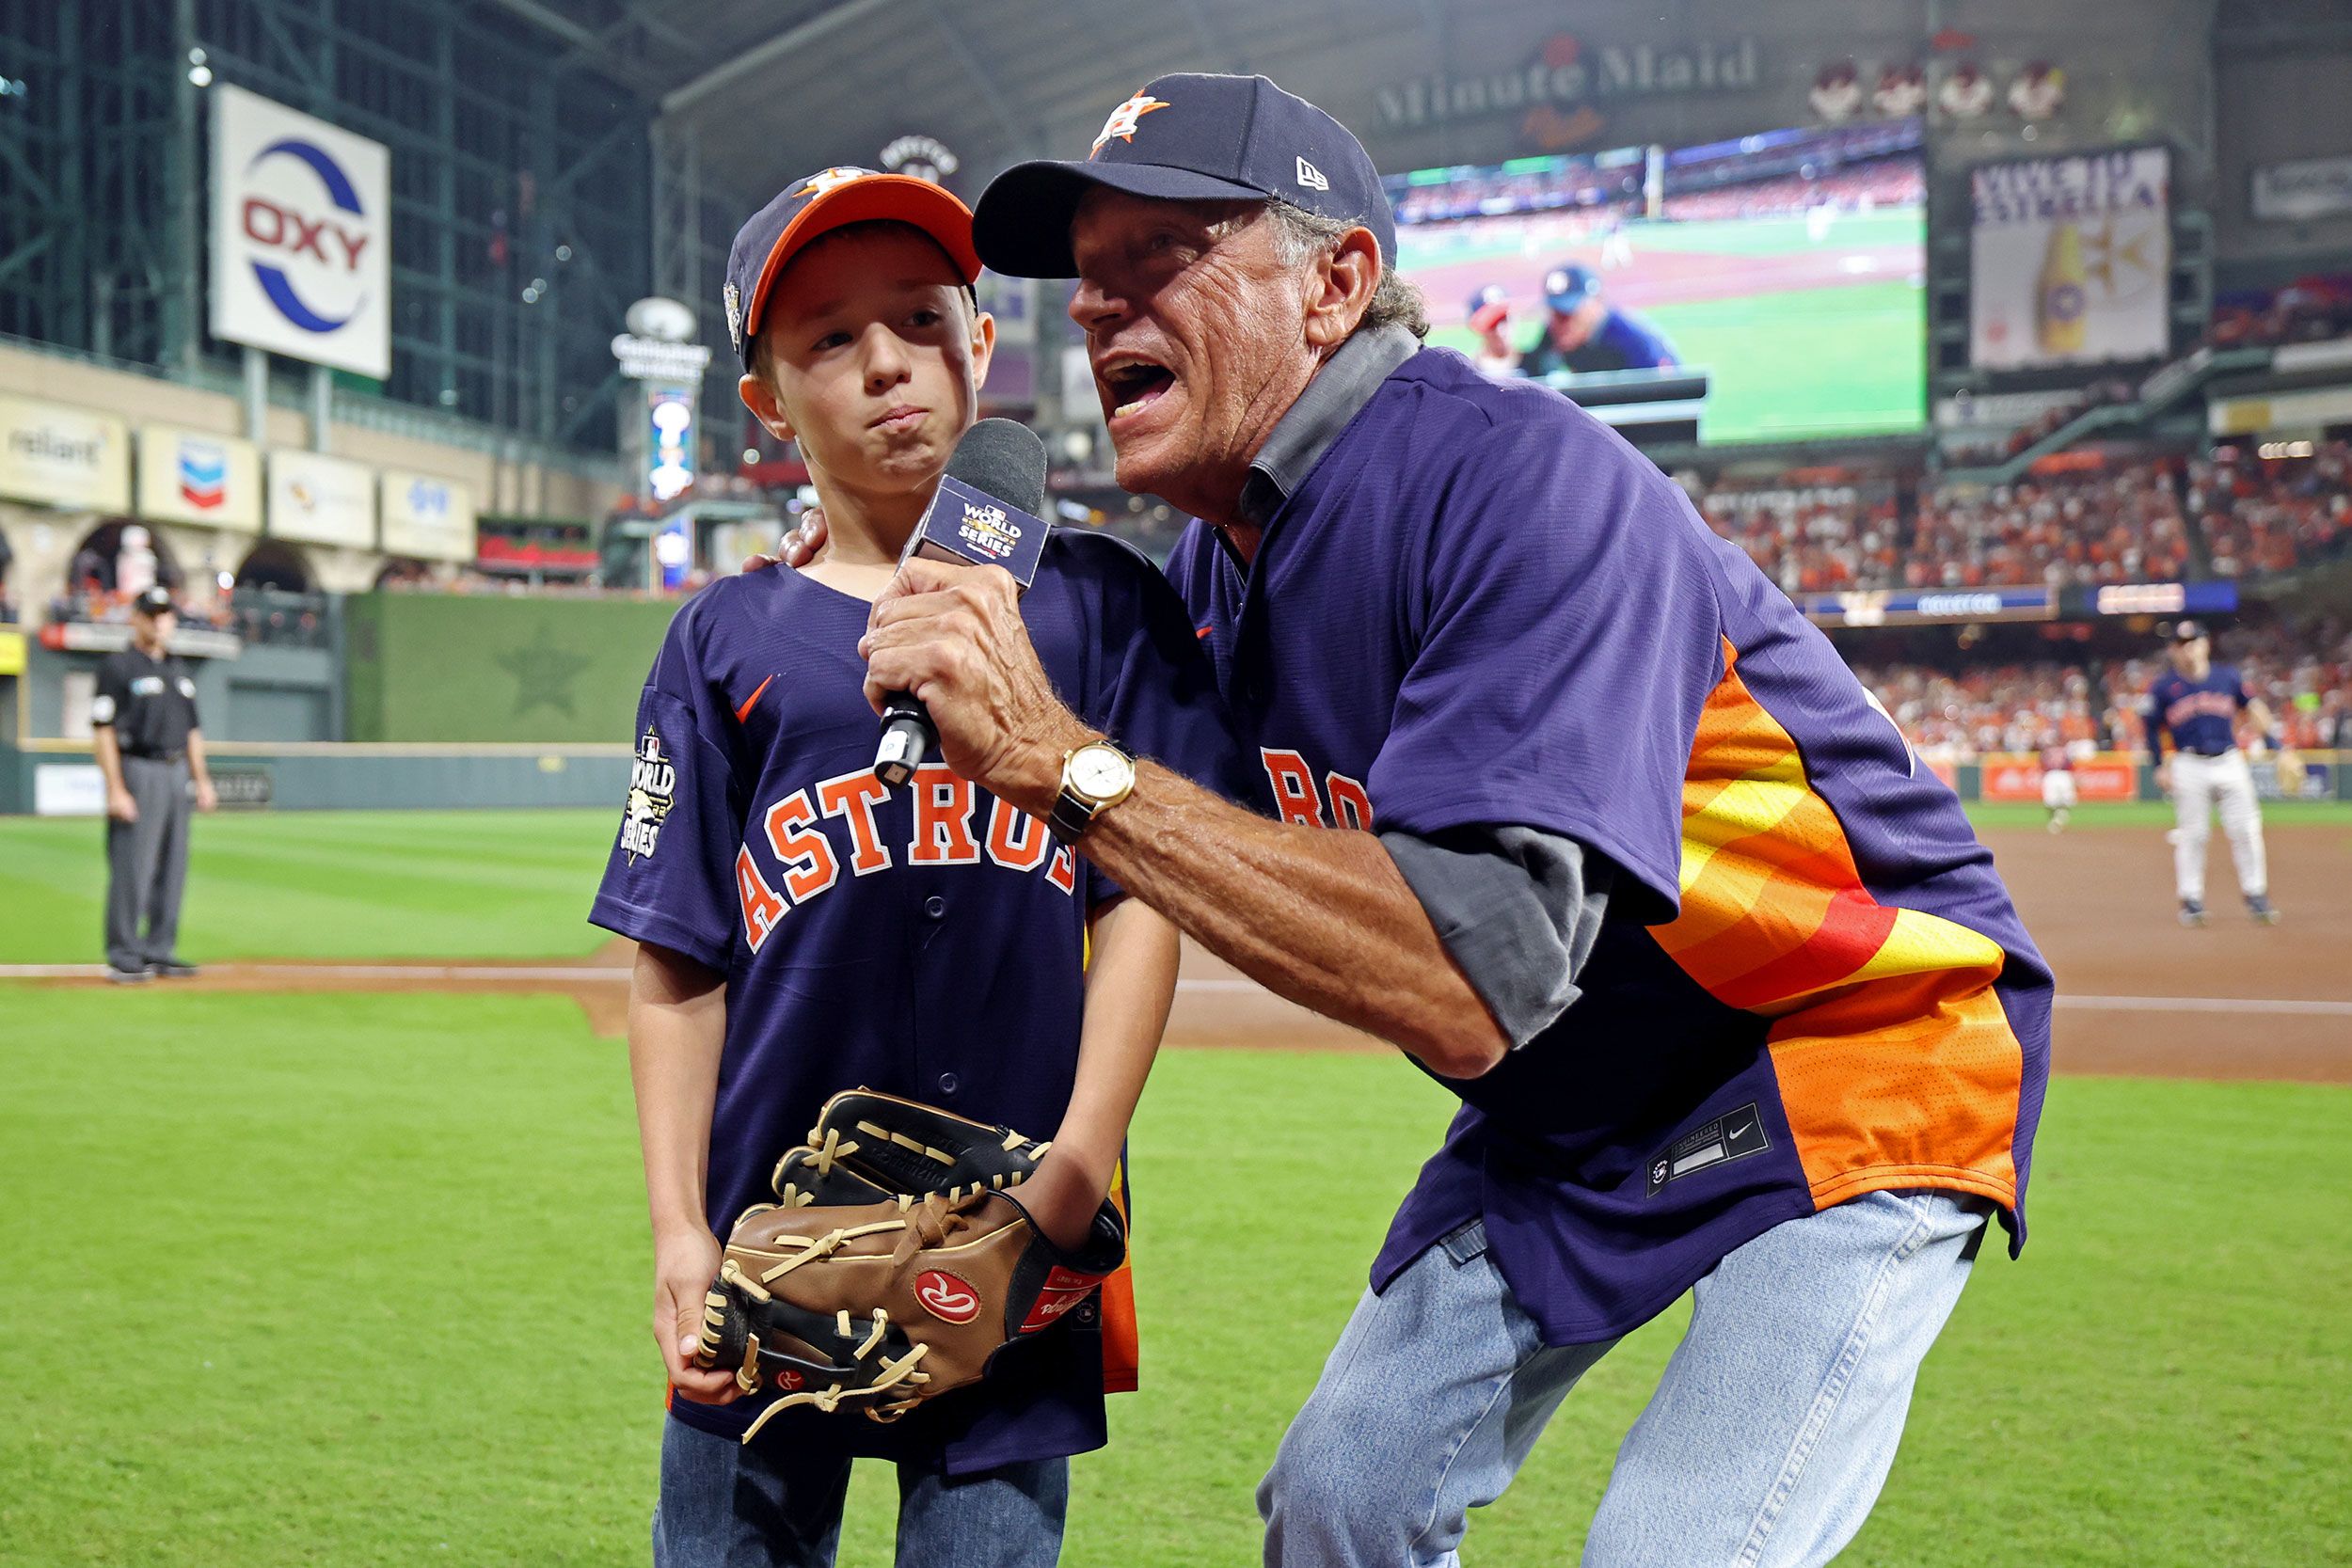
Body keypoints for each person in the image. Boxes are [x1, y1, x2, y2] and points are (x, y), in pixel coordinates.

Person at [834, 72, 2053, 1568]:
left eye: (1162, 257)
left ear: (1337, 281)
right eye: (1092, 279)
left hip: (1846, 1044)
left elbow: (1469, 981)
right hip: (1579, 1105)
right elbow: (1138, 827)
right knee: (1342, 1494)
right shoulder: (1222, 569)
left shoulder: (1517, 482)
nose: (1097, 310)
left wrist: (1063, 759)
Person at [587, 166, 1243, 1568]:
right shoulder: (725, 639)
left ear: (984, 345)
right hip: (772, 1252)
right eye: (829, 337)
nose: (888, 362)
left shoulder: (1103, 604)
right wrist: (676, 1234)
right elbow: (676, 964)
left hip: (1018, 1245)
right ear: (765, 396)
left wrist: (1073, 1176)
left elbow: (1142, 901)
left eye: (922, 321)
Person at [91, 584, 216, 981]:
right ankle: (125, 952)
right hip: (138, 769)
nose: (160, 622)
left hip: (176, 770)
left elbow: (192, 731)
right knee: (133, 865)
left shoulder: (179, 670)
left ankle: (160, 948)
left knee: (172, 865)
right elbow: (102, 730)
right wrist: (115, 788)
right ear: (136, 618)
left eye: (166, 615)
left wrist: (203, 779)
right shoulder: (118, 667)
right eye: (152, 614)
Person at [2144, 620, 2279, 926]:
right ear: (2173, 651)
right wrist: (2157, 765)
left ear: (2205, 644)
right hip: (2188, 763)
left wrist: (2274, 742)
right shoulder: (2165, 686)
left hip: (2229, 761)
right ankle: (2191, 900)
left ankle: (2256, 894)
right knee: (2193, 836)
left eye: (2193, 641)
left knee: (2246, 830)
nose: (2187, 648)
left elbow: (2253, 707)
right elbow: (2150, 729)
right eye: (2181, 644)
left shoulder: (2227, 677)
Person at [1517, 261, 1677, 377]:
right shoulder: (1555, 334)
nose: (1558, 323)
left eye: (1568, 313)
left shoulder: (1635, 342)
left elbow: (1671, 394)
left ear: (1596, 304)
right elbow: (1533, 370)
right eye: (1554, 313)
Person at [2038, 732, 2076, 833]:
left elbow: (2042, 765)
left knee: (2055, 801)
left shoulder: (2047, 750)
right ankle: (2058, 820)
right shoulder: (2066, 750)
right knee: (2061, 801)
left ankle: (2056, 820)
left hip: (2054, 775)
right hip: (2062, 775)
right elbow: (2071, 764)